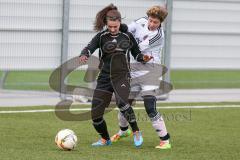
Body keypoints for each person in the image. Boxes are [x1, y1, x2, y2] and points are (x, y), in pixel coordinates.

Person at [79, 4, 152, 147]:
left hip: (122, 76)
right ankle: (105, 139)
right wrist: (84, 54)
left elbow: (136, 54)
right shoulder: (101, 37)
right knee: (96, 114)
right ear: (106, 24)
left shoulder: (127, 36)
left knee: (122, 103)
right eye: (110, 26)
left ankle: (136, 131)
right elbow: (89, 47)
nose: (112, 29)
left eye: (115, 27)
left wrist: (143, 58)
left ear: (119, 23)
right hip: (105, 77)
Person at [110, 5, 171, 149]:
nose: (151, 24)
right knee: (124, 103)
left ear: (161, 22)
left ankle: (165, 140)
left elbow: (135, 48)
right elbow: (126, 29)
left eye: (155, 22)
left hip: (151, 72)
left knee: (150, 107)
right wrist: (115, 24)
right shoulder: (141, 21)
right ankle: (124, 131)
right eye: (150, 20)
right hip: (134, 70)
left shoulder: (158, 35)